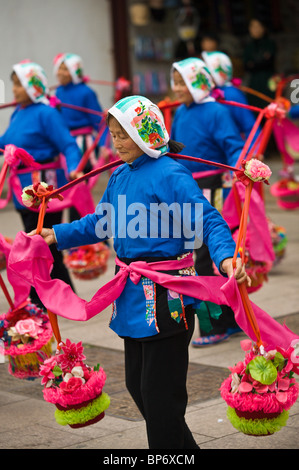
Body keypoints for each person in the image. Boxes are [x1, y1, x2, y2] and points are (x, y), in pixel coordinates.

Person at [29, 95, 249, 449]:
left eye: (123, 135)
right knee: (137, 385)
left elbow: (206, 219)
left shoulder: (169, 173)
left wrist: (226, 258)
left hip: (167, 295)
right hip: (130, 294)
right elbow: (102, 221)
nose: (115, 142)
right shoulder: (119, 175)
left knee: (160, 394)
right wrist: (56, 234)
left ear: (147, 134)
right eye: (113, 134)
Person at [170, 57, 245, 346]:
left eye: (181, 82)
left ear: (196, 82)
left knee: (204, 258)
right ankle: (226, 320)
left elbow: (234, 146)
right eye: (174, 82)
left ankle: (217, 324)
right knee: (192, 256)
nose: (176, 88)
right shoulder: (180, 112)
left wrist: (241, 170)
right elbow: (174, 147)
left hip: (213, 187)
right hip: (186, 188)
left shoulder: (216, 111)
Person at [0, 60, 82, 307]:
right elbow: (6, 142)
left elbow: (67, 144)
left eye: (18, 85)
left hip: (43, 188)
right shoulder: (19, 112)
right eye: (13, 85)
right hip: (20, 187)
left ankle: (60, 297)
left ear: (32, 85)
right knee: (34, 243)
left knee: (46, 244)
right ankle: (44, 297)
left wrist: (75, 168)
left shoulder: (46, 112)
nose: (13, 91)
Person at [53, 53, 109, 221]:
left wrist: (104, 146)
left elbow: (100, 122)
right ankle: (82, 236)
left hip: (84, 146)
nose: (60, 73)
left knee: (78, 189)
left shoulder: (86, 92)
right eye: (59, 69)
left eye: (65, 69)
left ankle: (86, 237)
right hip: (64, 145)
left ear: (74, 71)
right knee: (68, 190)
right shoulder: (57, 92)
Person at [202, 50, 260, 142]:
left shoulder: (232, 94)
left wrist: (253, 152)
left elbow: (250, 126)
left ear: (218, 72)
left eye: (207, 69)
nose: (203, 74)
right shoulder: (206, 93)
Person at [243, 18, 276, 109]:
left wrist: (254, 64)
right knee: (255, 106)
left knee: (270, 106)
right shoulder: (248, 46)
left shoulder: (269, 44)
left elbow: (267, 62)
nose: (255, 29)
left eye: (258, 26)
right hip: (253, 81)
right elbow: (246, 65)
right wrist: (260, 61)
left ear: (263, 28)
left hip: (268, 80)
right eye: (253, 27)